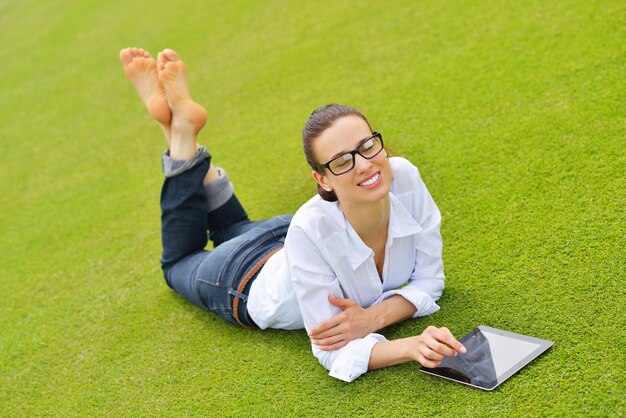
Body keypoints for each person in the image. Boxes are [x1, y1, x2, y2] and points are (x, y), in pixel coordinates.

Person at [119, 47, 466, 382]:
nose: (364, 165)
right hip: (245, 276)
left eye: (367, 146)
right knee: (177, 263)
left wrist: (372, 318)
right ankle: (180, 137)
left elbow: (431, 280)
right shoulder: (310, 227)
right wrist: (409, 345)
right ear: (322, 179)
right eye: (342, 161)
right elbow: (330, 351)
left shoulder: (403, 176)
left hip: (289, 238)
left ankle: (181, 132)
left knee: (231, 226)